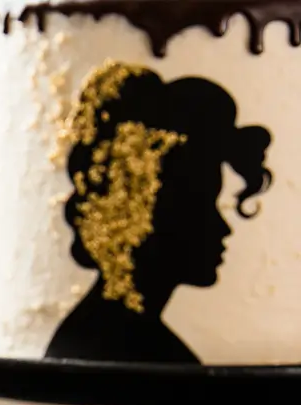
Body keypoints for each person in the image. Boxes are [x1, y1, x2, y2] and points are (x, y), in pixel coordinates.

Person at [46, 63, 272, 363]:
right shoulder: (112, 343)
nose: (223, 228)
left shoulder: (125, 336)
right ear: (142, 213)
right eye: (204, 206)